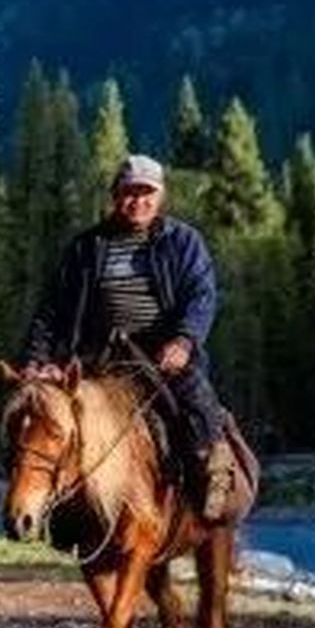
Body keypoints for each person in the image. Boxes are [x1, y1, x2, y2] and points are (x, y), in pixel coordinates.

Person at [21, 153, 235, 519]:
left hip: (161, 353)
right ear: (115, 196)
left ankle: (212, 473)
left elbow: (202, 296)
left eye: (146, 192)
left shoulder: (183, 241)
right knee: (45, 416)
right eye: (129, 193)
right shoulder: (87, 248)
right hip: (98, 356)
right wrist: (36, 360)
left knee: (195, 398)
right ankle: (47, 503)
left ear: (161, 195)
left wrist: (184, 340)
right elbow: (52, 308)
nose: (138, 201)